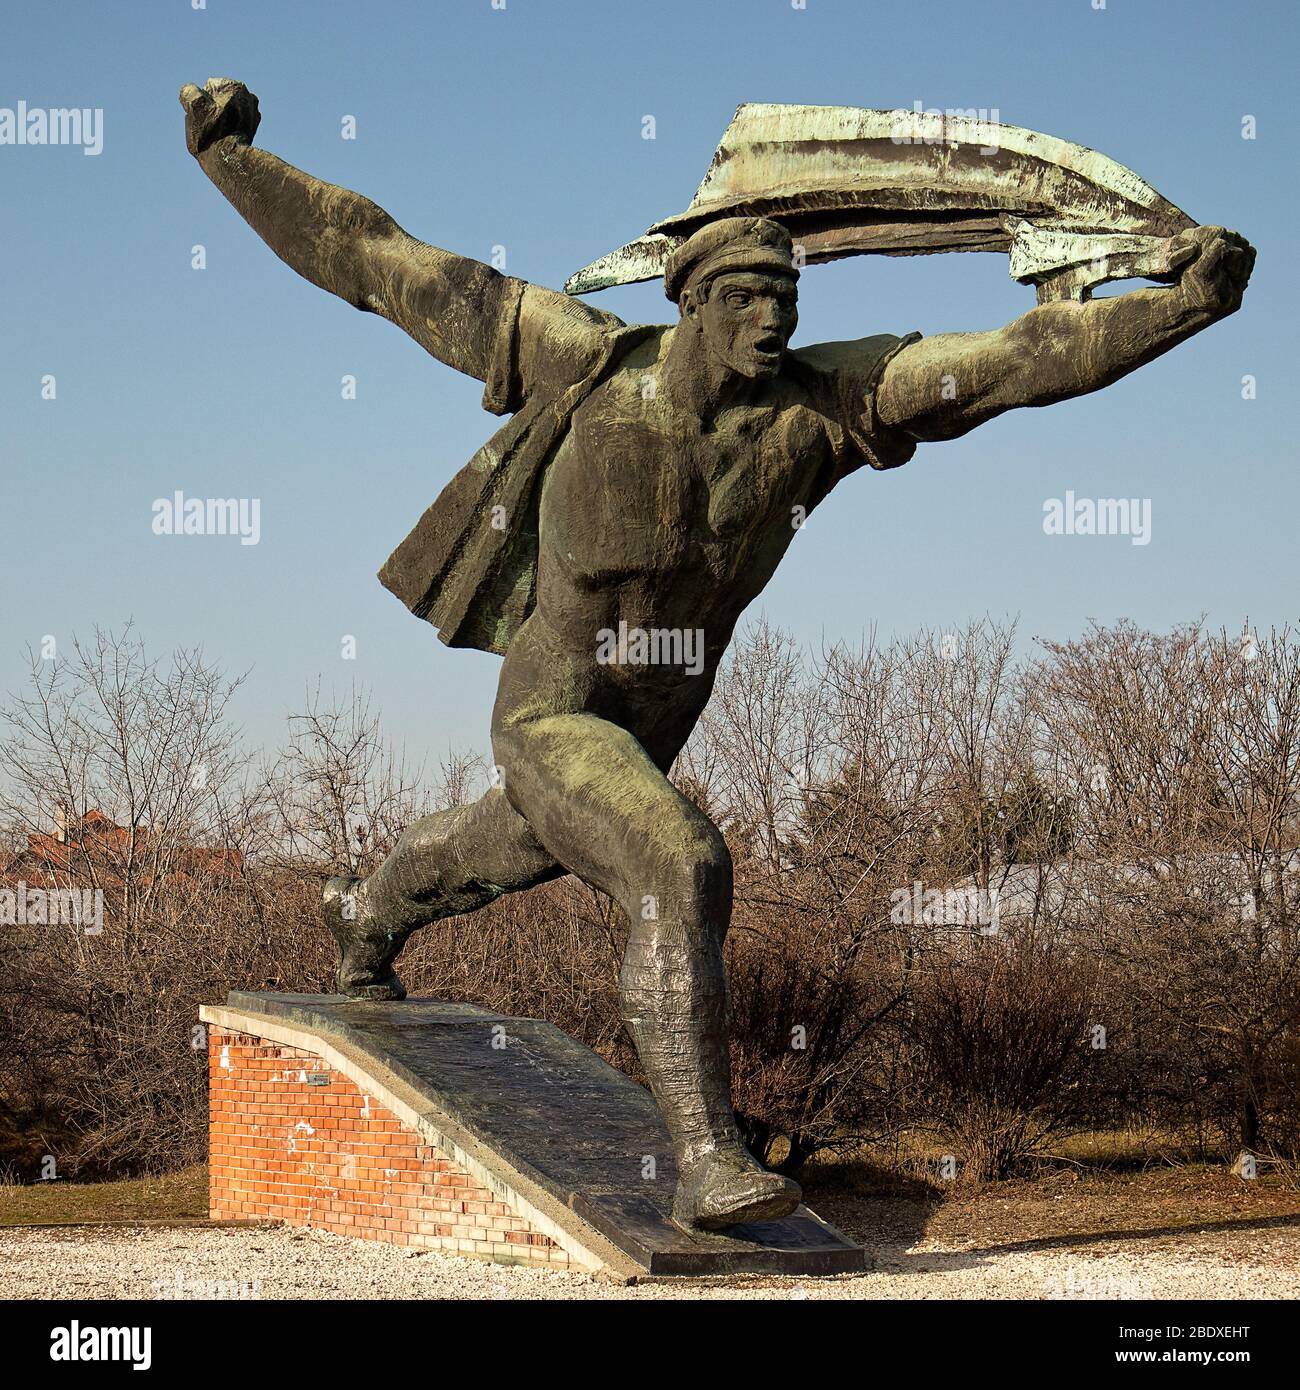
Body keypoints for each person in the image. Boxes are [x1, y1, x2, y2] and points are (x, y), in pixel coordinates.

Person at [181, 77, 1254, 1231]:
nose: (773, 320)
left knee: (484, 849)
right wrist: (232, 161)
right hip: (555, 709)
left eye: (786, 296)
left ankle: (367, 912)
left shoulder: (819, 411)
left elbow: (1009, 362)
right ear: (688, 300)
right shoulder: (582, 364)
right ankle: (706, 1159)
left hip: (643, 732)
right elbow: (379, 261)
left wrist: (1178, 308)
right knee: (680, 861)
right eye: (746, 296)